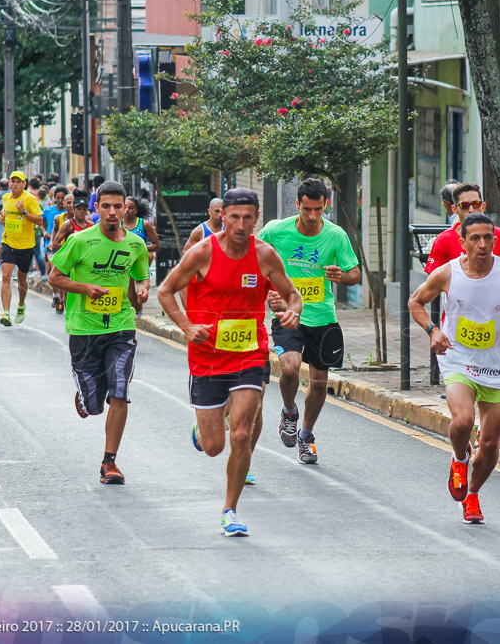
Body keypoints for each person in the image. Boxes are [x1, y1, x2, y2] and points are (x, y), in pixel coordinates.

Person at [158, 188, 302, 536]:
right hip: (207, 357)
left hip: (249, 354)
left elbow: (292, 294)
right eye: (233, 216)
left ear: (256, 219)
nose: (240, 224)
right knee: (214, 447)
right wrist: (188, 326)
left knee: (241, 433)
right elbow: (165, 290)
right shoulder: (202, 252)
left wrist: (293, 310)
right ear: (222, 216)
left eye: (247, 217)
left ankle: (230, 510)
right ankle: (205, 427)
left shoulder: (265, 255)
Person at [408, 212, 500, 523]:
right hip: (458, 359)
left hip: (497, 365)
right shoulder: (446, 273)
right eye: (475, 238)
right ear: (462, 242)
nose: (483, 244)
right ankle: (459, 458)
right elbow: (416, 301)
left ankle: (472, 495)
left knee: (492, 444)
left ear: (495, 240)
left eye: (488, 238)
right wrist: (433, 331)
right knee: (464, 420)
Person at [48, 181, 150, 485]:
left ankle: (109, 462)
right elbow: (55, 277)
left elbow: (141, 277)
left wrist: (143, 290)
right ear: (97, 207)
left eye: (118, 206)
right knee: (94, 406)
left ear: (125, 208)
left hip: (121, 325)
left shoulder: (135, 244)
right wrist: (85, 288)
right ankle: (84, 396)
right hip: (83, 329)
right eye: (106, 206)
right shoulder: (80, 241)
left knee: (120, 390)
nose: (112, 212)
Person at [260, 178, 360, 464]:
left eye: (318, 209)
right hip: (289, 314)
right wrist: (269, 293)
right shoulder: (275, 231)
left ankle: (306, 434)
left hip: (322, 317)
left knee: (318, 383)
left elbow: (354, 273)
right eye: (307, 209)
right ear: (297, 205)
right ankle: (289, 411)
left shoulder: (336, 235)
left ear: (325, 205)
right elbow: (255, 262)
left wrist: (343, 276)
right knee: (289, 369)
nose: (313, 216)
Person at [425, 184, 500, 273]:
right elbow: (432, 279)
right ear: (455, 209)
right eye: (464, 205)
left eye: (476, 204)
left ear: (483, 206)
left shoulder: (498, 234)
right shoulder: (443, 240)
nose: (471, 209)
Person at [0, 170, 43, 326]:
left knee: (22, 278)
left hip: (26, 245)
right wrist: (1, 218)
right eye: (12, 181)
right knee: (6, 276)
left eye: (18, 181)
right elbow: (6, 217)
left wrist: (24, 211)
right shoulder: (5, 198)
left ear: (24, 184)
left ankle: (21, 304)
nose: (15, 184)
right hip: (8, 242)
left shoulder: (29, 199)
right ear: (9, 183)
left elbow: (40, 220)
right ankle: (6, 313)